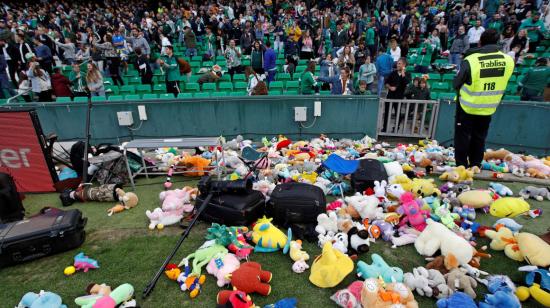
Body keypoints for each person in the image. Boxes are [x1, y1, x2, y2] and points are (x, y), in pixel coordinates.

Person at [453, 29, 514, 168]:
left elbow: (457, 83)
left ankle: (461, 166)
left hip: (467, 106)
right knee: (479, 137)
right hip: (488, 107)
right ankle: (476, 164)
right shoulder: (508, 60)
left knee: (463, 136)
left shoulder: (471, 60)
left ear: (480, 42)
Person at [383, 58, 411, 131]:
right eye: (397, 63)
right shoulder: (393, 73)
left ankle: (396, 128)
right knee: (387, 113)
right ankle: (385, 128)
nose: (397, 65)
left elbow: (407, 83)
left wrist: (403, 73)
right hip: (390, 96)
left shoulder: (407, 74)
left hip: (399, 97)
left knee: (398, 113)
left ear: (404, 65)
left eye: (399, 63)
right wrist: (390, 87)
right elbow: (386, 83)